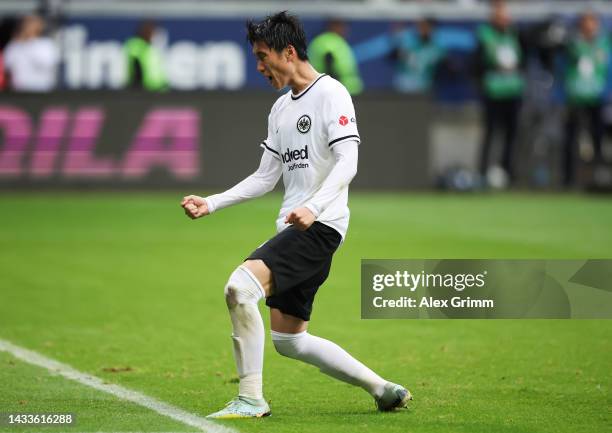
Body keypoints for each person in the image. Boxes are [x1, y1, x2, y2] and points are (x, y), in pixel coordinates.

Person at [180, 11, 410, 419]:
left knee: (239, 288)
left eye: (262, 55)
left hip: (319, 226)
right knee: (289, 340)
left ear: (289, 52)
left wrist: (315, 205)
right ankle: (383, 388)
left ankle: (250, 398)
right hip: (298, 226)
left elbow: (348, 162)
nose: (259, 67)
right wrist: (212, 202)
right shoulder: (280, 109)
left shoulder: (332, 93)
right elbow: (265, 177)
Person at [474, 1, 525, 186]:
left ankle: (509, 172)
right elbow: (477, 64)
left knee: (512, 135)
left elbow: (524, 60)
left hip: (512, 91)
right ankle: (482, 172)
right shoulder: (484, 35)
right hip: (493, 92)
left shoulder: (516, 34)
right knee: (490, 133)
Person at [562, 12, 609, 187]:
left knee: (598, 139)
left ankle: (599, 178)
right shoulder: (572, 43)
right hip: (576, 97)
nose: (590, 26)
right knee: (571, 139)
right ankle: (568, 179)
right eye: (586, 22)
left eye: (593, 22)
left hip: (596, 97)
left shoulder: (603, 42)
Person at [3, 14, 59, 92]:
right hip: (18, 91)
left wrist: (28, 44)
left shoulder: (46, 44)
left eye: (30, 24)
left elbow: (46, 63)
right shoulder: (14, 45)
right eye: (25, 24)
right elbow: (7, 67)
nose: (27, 27)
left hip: (42, 90)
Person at [390, 18, 446, 93]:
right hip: (405, 84)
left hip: (425, 85)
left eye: (427, 27)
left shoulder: (437, 49)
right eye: (421, 27)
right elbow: (394, 55)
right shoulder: (408, 43)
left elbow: (439, 65)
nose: (424, 30)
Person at [308, 19, 363, 95]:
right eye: (342, 25)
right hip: (340, 93)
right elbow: (329, 69)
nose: (346, 29)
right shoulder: (328, 42)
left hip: (346, 92)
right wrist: (335, 92)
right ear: (333, 26)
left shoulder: (333, 41)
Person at [124, 20, 167, 91]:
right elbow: (136, 66)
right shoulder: (136, 45)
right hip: (145, 90)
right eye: (150, 31)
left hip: (158, 88)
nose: (153, 34)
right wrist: (138, 86)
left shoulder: (150, 47)